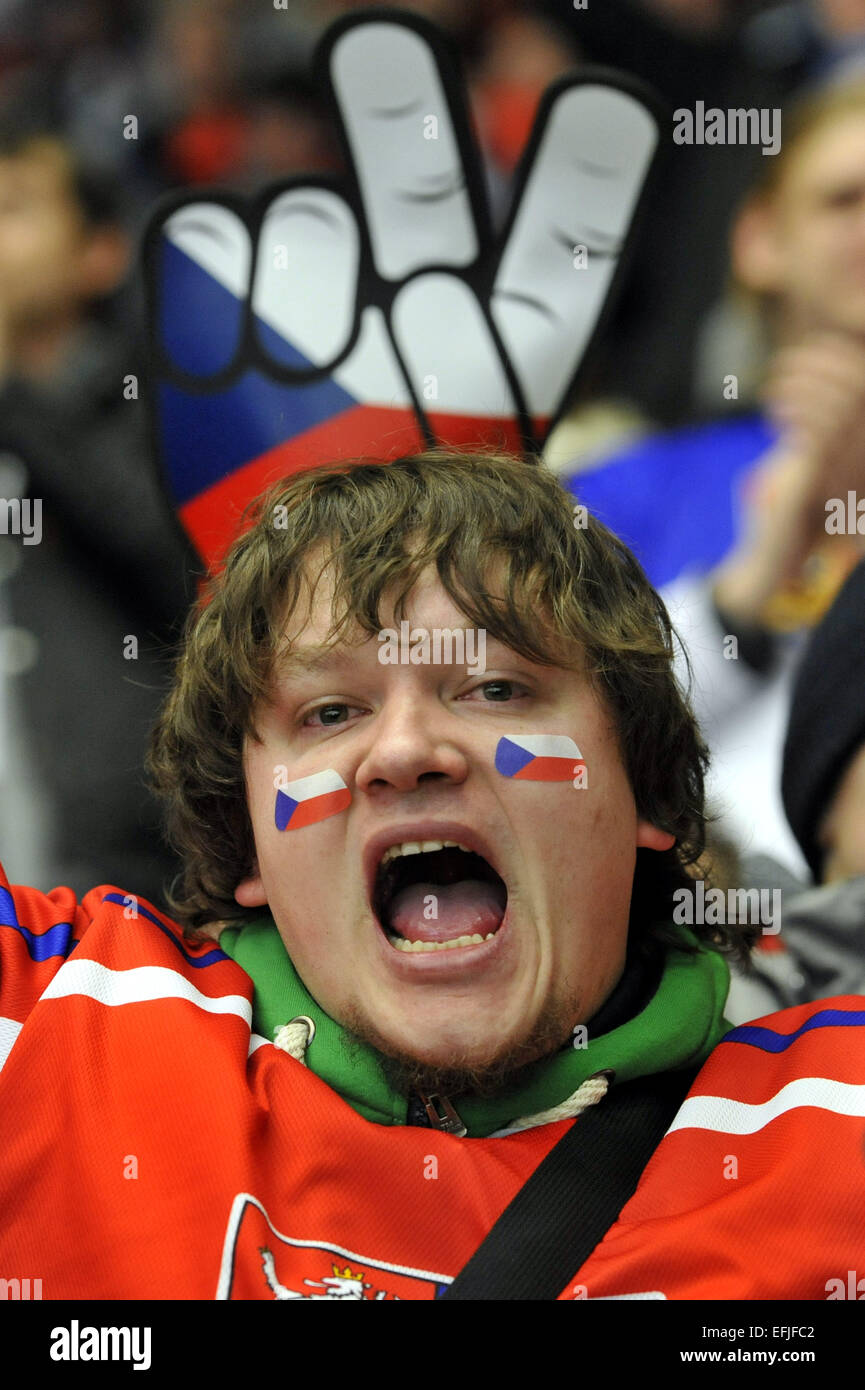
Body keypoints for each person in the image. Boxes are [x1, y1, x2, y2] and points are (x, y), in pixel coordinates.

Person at [0, 447, 862, 1301]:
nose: (407, 752)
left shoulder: (832, 1130)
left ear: (641, 783)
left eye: (493, 689)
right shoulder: (57, 1026)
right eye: (330, 711)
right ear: (247, 835)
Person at [0, 124, 195, 902]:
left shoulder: (157, 403)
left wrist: (12, 387)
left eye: (12, 208)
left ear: (99, 253)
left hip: (127, 873)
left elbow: (165, 569)